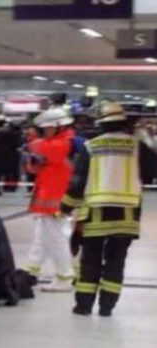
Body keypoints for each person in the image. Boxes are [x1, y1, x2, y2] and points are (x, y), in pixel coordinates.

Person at [61, 102, 142, 317]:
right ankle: (107, 307)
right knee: (116, 261)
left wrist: (66, 205)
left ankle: (83, 306)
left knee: (90, 260)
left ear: (101, 124)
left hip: (96, 214)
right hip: (128, 214)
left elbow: (78, 182)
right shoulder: (136, 146)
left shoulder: (91, 146)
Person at [23, 107, 76, 292]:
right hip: (48, 198)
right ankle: (30, 272)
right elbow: (34, 168)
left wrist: (32, 143)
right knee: (43, 237)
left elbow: (45, 149)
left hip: (57, 200)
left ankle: (65, 277)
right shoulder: (54, 142)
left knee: (56, 239)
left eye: (48, 128)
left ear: (60, 126)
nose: (45, 131)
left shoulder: (66, 142)